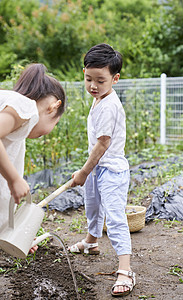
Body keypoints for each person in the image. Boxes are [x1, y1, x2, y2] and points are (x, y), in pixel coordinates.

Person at [68, 43, 136, 297]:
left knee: (115, 218)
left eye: (100, 80)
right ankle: (91, 242)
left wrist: (84, 171)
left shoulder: (108, 106)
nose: (93, 85)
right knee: (93, 206)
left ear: (115, 79)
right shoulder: (99, 98)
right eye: (88, 79)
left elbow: (103, 143)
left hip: (112, 171)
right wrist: (89, 171)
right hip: (98, 169)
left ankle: (125, 269)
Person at [0, 63, 65, 253]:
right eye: (55, 123)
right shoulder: (26, 108)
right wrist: (14, 180)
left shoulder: (16, 120)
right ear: (54, 107)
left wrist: (14, 235)